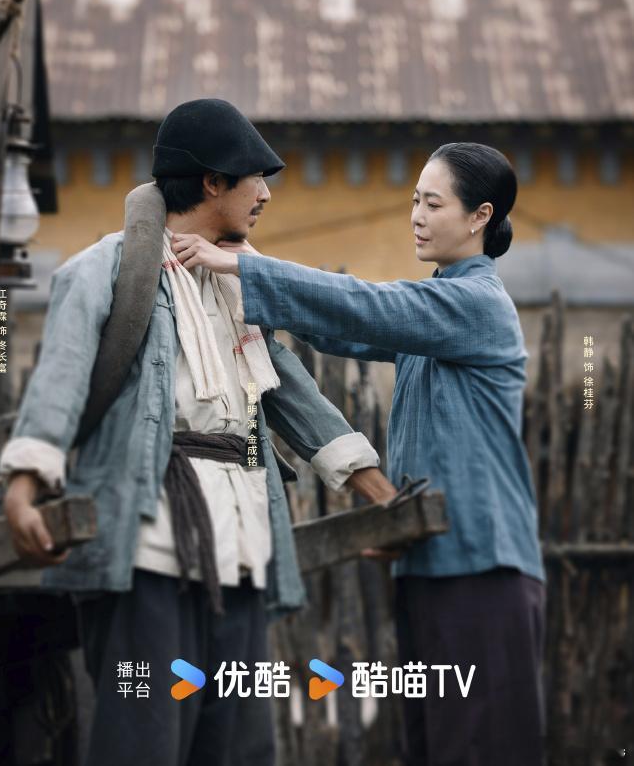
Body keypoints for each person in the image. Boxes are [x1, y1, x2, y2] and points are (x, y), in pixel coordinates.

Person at [0, 98, 396, 766]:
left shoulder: (238, 280)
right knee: (144, 742)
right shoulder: (105, 267)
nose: (265, 194)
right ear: (213, 182)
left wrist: (375, 489)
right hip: (150, 542)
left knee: (240, 745)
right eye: (255, 178)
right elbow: (60, 377)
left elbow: (289, 390)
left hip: (241, 542)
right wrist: (24, 484)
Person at [171, 142, 547, 766]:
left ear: (480, 216)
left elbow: (368, 306)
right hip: (431, 564)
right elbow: (338, 327)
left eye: (434, 204)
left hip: (484, 569)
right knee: (435, 747)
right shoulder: (438, 309)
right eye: (415, 201)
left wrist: (240, 265)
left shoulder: (476, 304)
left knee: (477, 750)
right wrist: (248, 268)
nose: (417, 216)